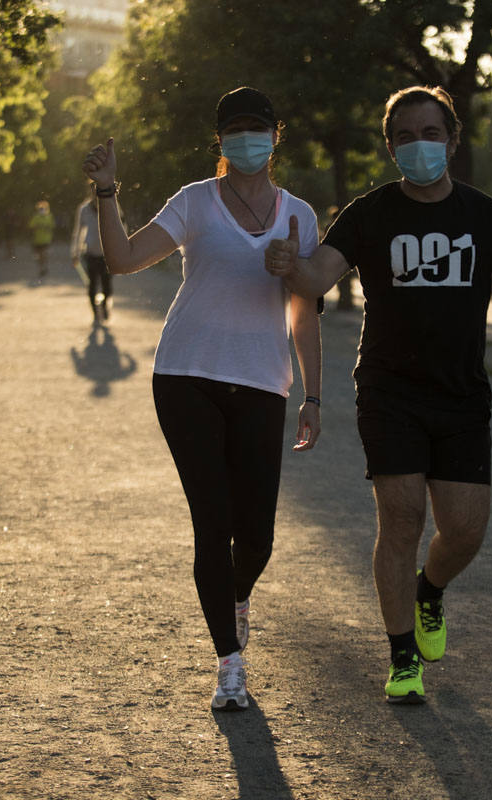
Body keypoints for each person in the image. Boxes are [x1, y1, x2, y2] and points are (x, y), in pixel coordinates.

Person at [265, 85, 492, 704]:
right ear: (390, 147)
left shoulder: (486, 216)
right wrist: (289, 261)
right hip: (389, 391)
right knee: (401, 518)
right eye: (405, 137)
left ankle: (430, 590)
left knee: (466, 529)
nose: (419, 146)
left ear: (451, 140)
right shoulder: (370, 215)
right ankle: (401, 658)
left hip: (461, 396)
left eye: (430, 134)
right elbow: (317, 276)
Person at [81, 87, 322, 712]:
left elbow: (305, 311)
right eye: (235, 129)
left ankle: (236, 596)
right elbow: (123, 257)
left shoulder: (300, 215)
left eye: (258, 128)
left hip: (264, 382)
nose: (247, 138)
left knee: (258, 537)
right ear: (220, 140)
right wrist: (106, 193)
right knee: (212, 525)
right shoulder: (195, 202)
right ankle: (229, 665)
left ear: (277, 135)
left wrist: (314, 393)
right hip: (186, 376)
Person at [70, 183, 112, 325]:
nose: (96, 194)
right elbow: (78, 231)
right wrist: (74, 251)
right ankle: (95, 313)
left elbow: (122, 226)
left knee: (107, 286)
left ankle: (105, 306)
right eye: (94, 191)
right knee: (92, 285)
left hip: (107, 254)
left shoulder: (111, 205)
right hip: (90, 253)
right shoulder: (84, 209)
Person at [28, 200, 55, 283]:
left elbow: (52, 226)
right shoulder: (36, 217)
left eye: (43, 208)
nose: (42, 209)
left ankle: (44, 267)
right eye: (40, 208)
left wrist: (46, 227)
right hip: (37, 240)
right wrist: (37, 227)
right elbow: (31, 226)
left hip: (46, 239)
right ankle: (42, 267)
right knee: (39, 256)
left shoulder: (49, 216)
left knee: (43, 254)